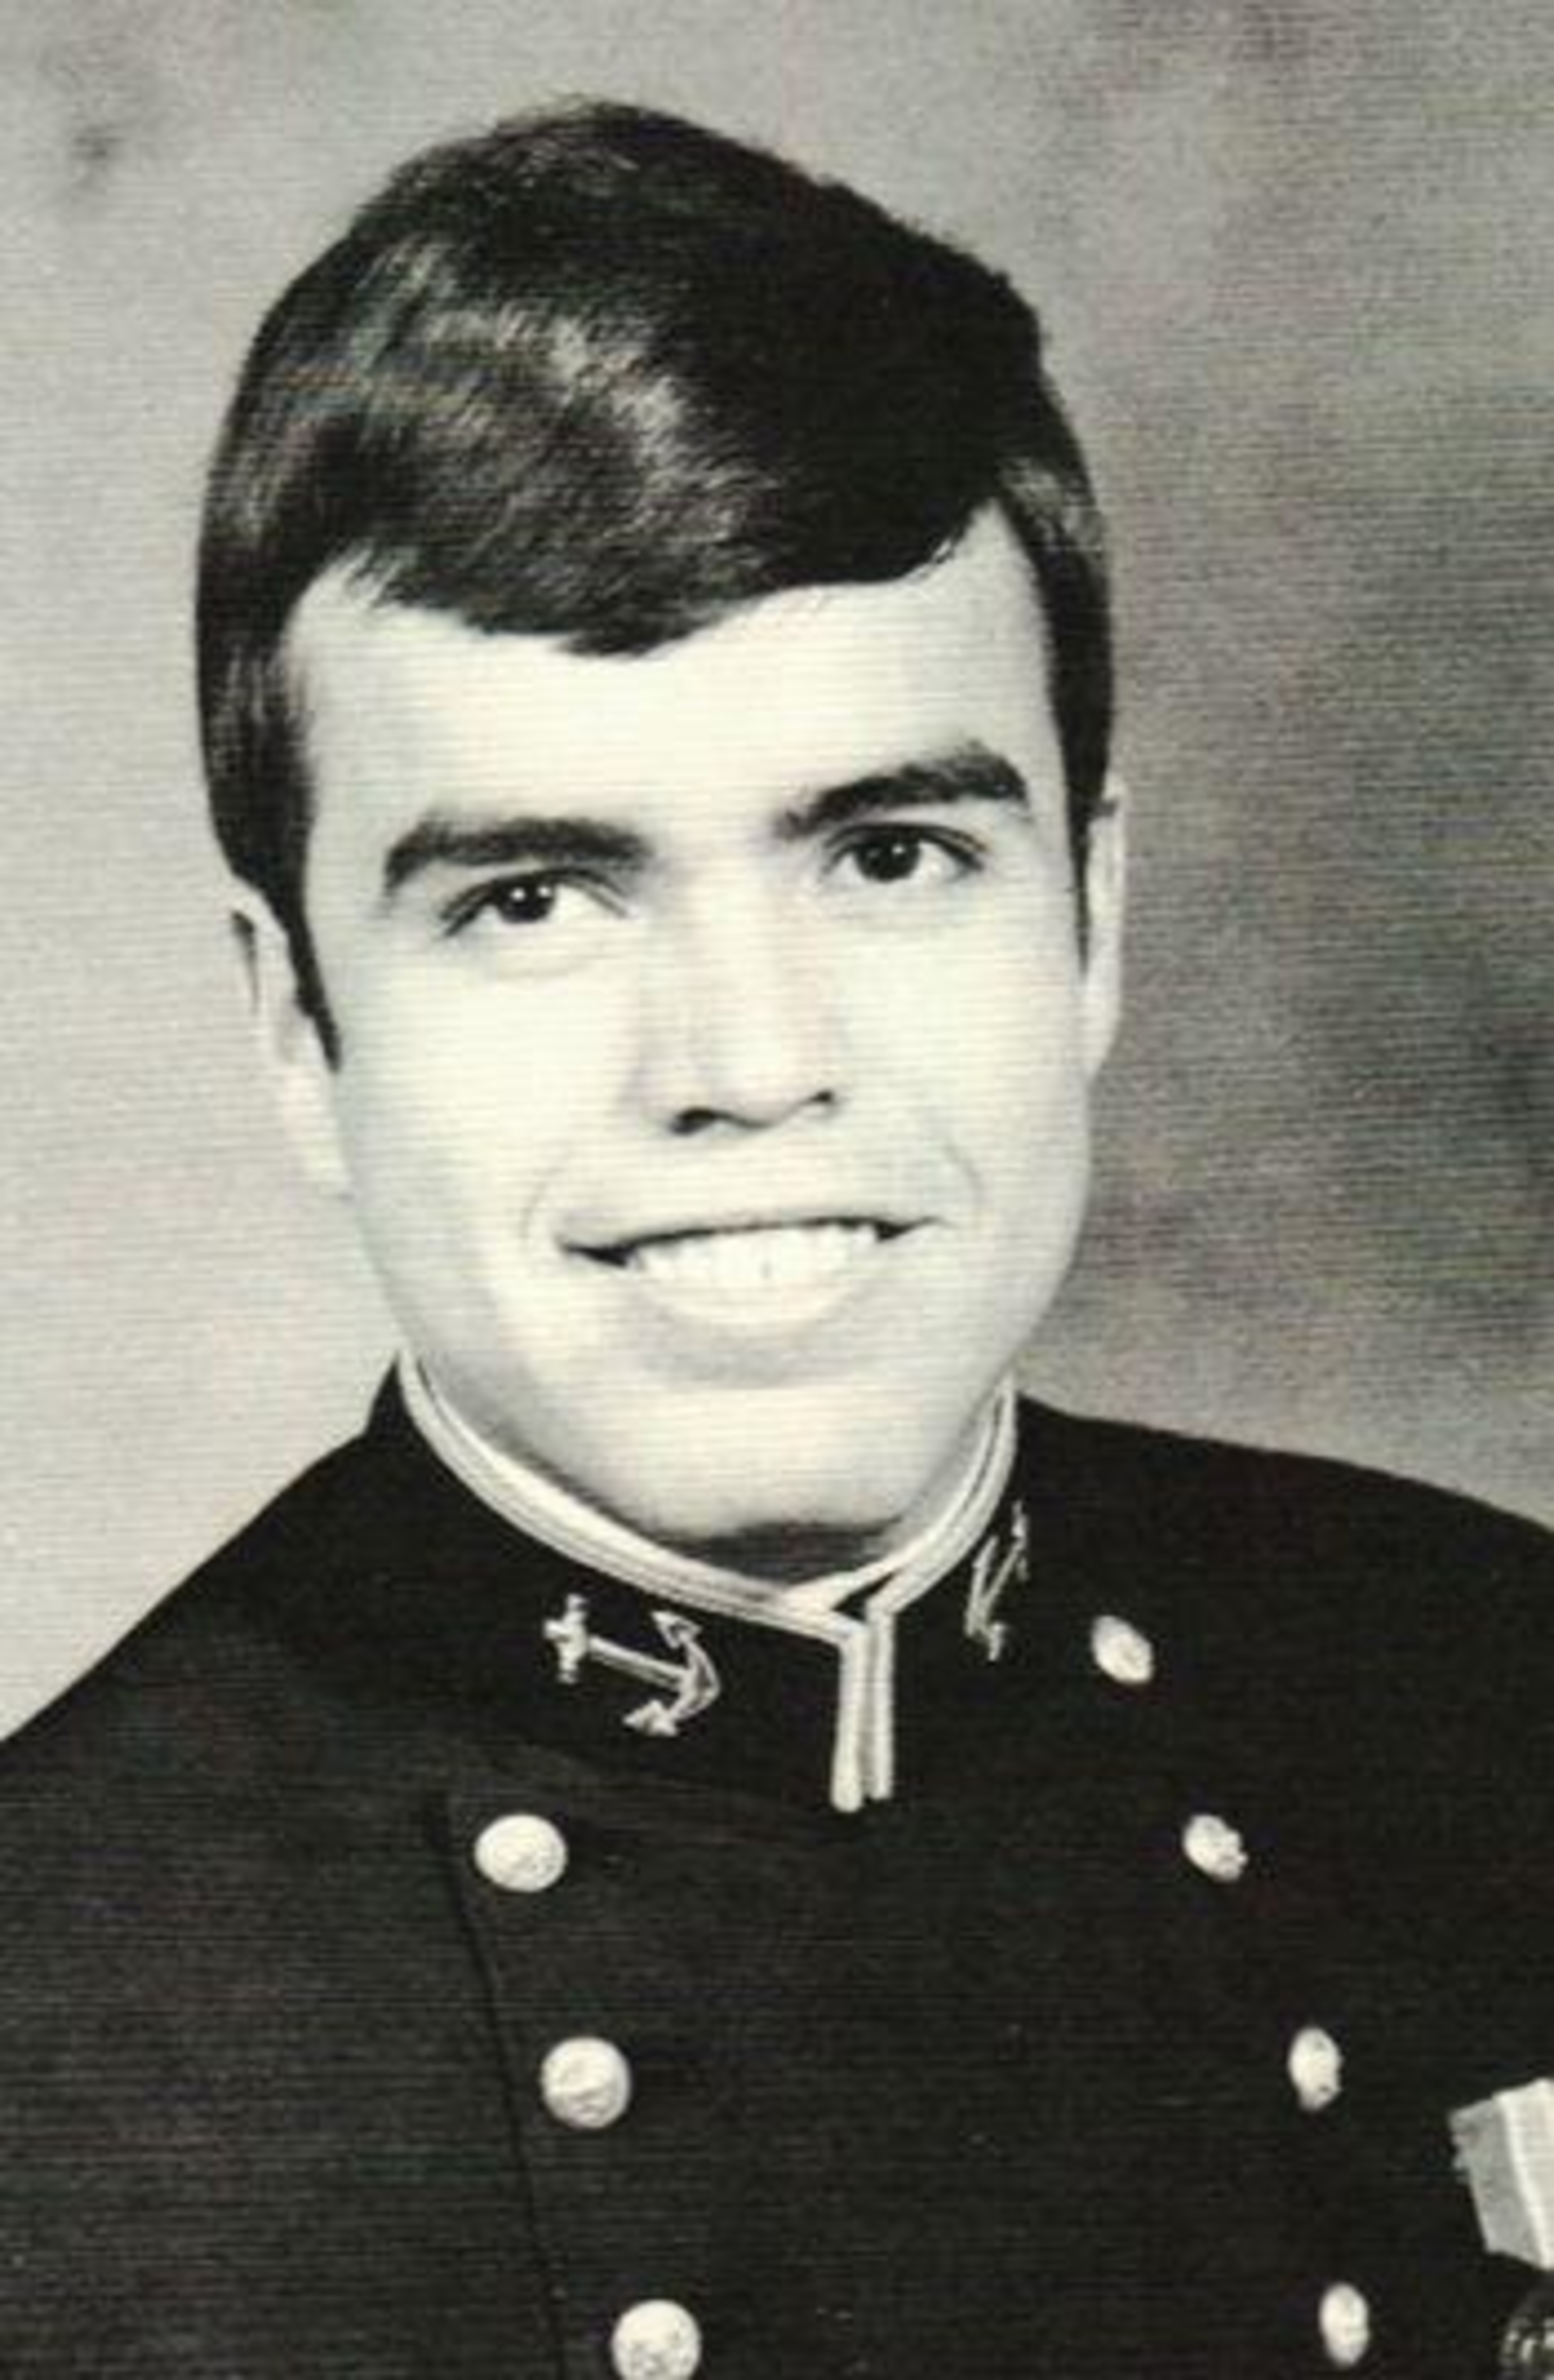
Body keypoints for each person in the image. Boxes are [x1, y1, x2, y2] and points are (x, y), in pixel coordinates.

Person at [1, 100, 1549, 2380]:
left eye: (889, 855)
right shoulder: (50, 2038)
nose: (746, 1062)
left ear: (1090, 918)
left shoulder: (1489, 1691)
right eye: (536, 896)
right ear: (298, 1028)